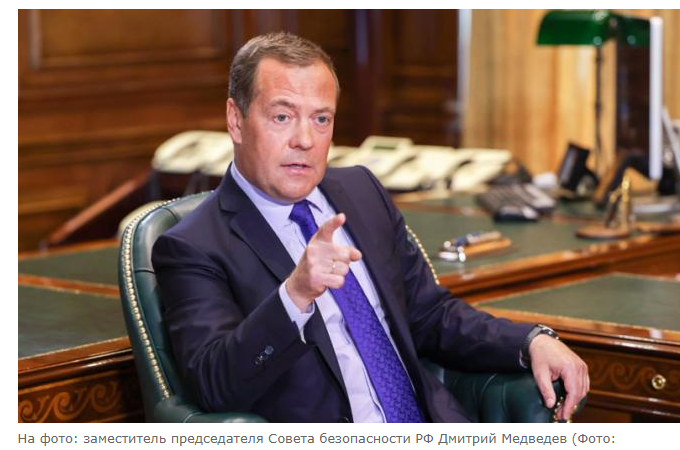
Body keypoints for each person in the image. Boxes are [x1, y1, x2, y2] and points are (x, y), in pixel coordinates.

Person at [152, 32, 589, 423]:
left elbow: (430, 314)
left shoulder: (361, 191)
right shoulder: (192, 245)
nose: (305, 140)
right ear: (235, 119)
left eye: (321, 119)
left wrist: (530, 341)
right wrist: (295, 295)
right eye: (282, 117)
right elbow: (214, 387)